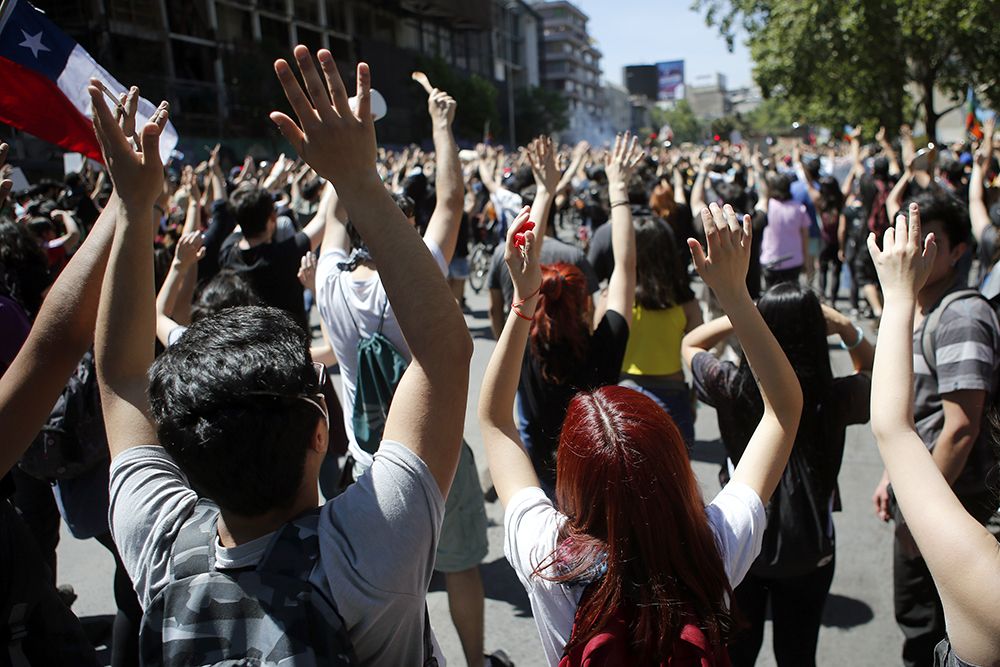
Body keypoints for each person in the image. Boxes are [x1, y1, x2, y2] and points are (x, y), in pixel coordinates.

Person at [95, 45, 472, 664]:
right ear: (320, 431)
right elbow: (447, 353)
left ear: (181, 451)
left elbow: (118, 377)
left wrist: (132, 206)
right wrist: (358, 178)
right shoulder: (369, 549)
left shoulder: (161, 548)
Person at [479, 200, 803, 664]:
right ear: (674, 461)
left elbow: (495, 420)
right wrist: (735, 295)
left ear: (570, 478)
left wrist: (523, 300)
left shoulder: (549, 557)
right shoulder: (711, 546)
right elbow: (784, 411)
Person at [313, 81, 502, 667]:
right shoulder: (414, 282)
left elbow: (332, 215)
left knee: (395, 584)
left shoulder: (328, 281)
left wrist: (344, 154)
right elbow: (451, 202)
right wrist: (441, 125)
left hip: (368, 457)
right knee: (461, 565)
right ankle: (474, 662)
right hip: (435, 449)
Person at [684, 283, 873, 667]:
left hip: (740, 540)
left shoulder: (731, 386)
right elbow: (873, 370)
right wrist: (845, 326)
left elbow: (691, 344)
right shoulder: (835, 397)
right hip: (810, 547)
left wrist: (743, 312)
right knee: (798, 654)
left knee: (736, 653)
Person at [870, 191, 1000, 667]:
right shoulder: (923, 309)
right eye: (902, 235)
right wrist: (892, 476)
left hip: (951, 505)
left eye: (926, 241)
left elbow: (959, 428)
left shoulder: (961, 316)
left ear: (959, 250)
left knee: (926, 629)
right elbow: (923, 413)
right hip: (925, 494)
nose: (910, 250)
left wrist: (917, 516)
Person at [512, 134, 641, 490]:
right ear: (586, 302)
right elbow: (625, 268)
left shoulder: (522, 343)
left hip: (544, 476)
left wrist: (544, 191)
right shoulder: (605, 345)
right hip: (594, 480)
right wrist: (618, 189)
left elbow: (527, 261)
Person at [618, 215, 703, 445]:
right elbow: (700, 354)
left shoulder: (617, 298)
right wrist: (693, 400)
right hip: (672, 395)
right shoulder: (686, 301)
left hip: (623, 392)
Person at [216, 172, 328, 331]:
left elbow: (245, 212)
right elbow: (324, 218)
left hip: (252, 341)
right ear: (273, 217)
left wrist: (268, 185)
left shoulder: (227, 253)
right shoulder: (287, 253)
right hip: (290, 341)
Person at [759, 172, 811, 289]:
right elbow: (805, 236)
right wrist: (805, 258)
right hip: (793, 260)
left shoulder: (766, 207)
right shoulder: (799, 208)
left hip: (771, 259)